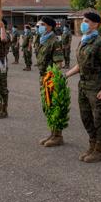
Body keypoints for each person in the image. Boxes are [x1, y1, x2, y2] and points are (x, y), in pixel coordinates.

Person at [65, 12, 101, 162]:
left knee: (98, 119)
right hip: (83, 86)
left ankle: (99, 150)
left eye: (86, 21)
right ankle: (92, 145)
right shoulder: (84, 41)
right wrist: (66, 75)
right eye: (82, 21)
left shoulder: (100, 43)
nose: (82, 23)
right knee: (86, 117)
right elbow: (80, 65)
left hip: (96, 86)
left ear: (95, 24)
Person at [36, 17, 65, 147]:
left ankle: (58, 136)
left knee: (53, 106)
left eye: (42, 24)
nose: (40, 26)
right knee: (47, 106)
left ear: (49, 27)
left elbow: (59, 63)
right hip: (43, 77)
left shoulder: (54, 41)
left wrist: (51, 78)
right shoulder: (43, 40)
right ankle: (52, 133)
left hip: (50, 78)